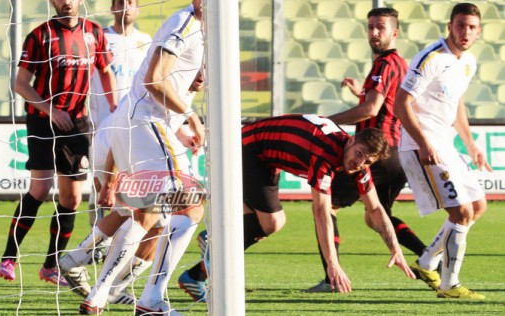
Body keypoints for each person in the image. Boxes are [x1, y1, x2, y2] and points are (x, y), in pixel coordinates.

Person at [178, 114, 416, 302]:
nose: (359, 163)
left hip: (263, 154)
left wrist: (395, 248)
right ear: (352, 140)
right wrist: (332, 265)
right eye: (359, 154)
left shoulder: (355, 162)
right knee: (271, 222)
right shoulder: (326, 154)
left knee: (258, 224)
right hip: (249, 147)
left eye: (367, 161)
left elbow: (375, 209)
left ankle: (198, 269)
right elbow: (321, 211)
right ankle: (208, 250)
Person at [79, 1, 206, 314]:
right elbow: (154, 80)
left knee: (146, 215)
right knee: (190, 205)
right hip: (144, 121)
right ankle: (150, 299)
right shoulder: (186, 22)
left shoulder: (202, 28)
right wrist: (192, 117)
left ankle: (97, 290)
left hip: (134, 123)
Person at [303, 7, 427, 293]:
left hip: (374, 152)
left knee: (327, 206)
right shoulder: (400, 64)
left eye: (380, 27)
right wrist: (359, 91)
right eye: (370, 26)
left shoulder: (385, 64)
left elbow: (371, 109)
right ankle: (428, 254)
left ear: (395, 32)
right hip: (396, 154)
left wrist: (325, 121)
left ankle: (331, 278)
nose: (373, 33)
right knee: (377, 216)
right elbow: (386, 103)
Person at [0, 0, 118, 286]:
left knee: (71, 198)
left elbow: (106, 72)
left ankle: (51, 265)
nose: (66, 2)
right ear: (52, 2)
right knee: (40, 187)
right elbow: (21, 83)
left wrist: (115, 109)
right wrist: (51, 109)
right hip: (42, 120)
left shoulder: (94, 33)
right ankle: (9, 257)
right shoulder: (40, 36)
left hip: (77, 124)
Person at [59, 71, 205, 305]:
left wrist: (184, 134)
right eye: (197, 68)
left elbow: (161, 120)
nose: (202, 76)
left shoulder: (173, 93)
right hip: (117, 146)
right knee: (167, 216)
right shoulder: (163, 85)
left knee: (134, 214)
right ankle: (111, 289)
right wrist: (110, 180)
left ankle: (78, 260)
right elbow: (131, 130)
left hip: (108, 142)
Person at [394, 3, 490, 300]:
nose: (466, 32)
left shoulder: (468, 62)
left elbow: (455, 102)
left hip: (446, 143)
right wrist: (423, 143)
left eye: (472, 27)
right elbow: (401, 104)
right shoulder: (432, 58)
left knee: (478, 207)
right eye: (461, 25)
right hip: (421, 144)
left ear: (478, 31)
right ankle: (449, 284)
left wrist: (471, 144)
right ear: (450, 26)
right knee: (460, 213)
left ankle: (426, 262)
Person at [86, 0, 152, 229]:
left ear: (138, 8)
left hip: (136, 123)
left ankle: (122, 234)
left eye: (130, 2)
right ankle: (96, 237)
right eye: (119, 2)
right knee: (101, 182)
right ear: (112, 8)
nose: (125, 6)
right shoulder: (98, 38)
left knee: (132, 184)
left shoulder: (146, 41)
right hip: (104, 121)